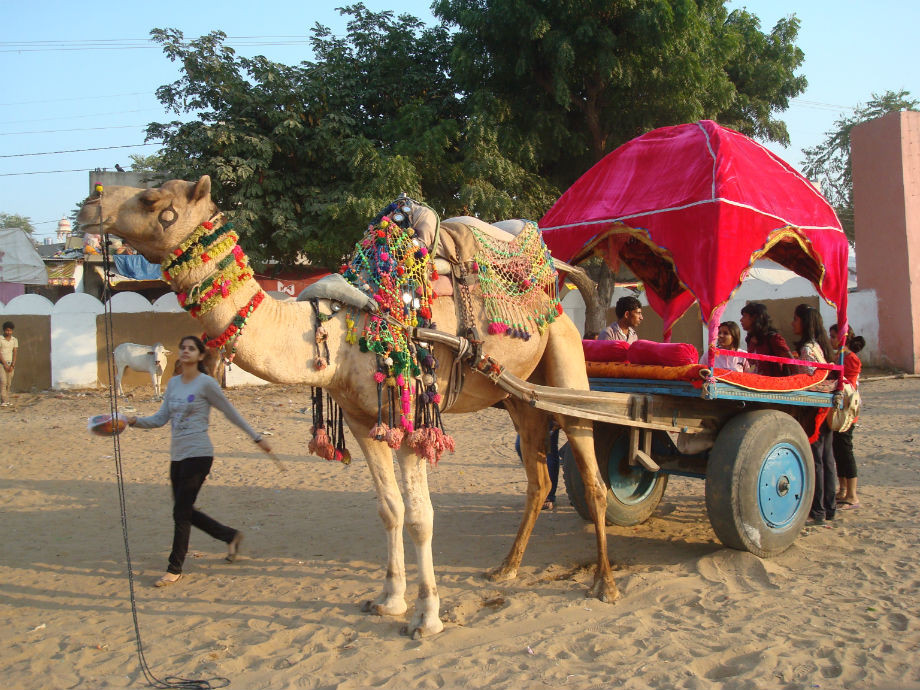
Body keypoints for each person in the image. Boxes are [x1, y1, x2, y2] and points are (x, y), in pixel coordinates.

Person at [125, 335, 272, 587]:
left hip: (200, 455)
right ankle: (230, 536)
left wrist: (256, 438)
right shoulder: (172, 385)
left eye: (191, 348)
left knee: (180, 513)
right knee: (184, 510)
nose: (185, 351)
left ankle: (174, 567)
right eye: (182, 348)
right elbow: (161, 419)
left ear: (200, 355)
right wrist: (134, 421)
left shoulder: (206, 384)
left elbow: (230, 412)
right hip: (178, 456)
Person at [792, 304, 836, 525]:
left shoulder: (808, 349)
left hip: (814, 407)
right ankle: (829, 507)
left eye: (796, 319)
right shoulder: (822, 347)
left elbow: (812, 381)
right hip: (825, 407)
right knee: (826, 458)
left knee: (816, 459)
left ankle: (818, 511)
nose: (793, 324)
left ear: (804, 322)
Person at [831, 326, 865, 509]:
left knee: (845, 450)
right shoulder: (840, 355)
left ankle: (852, 494)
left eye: (833, 336)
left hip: (847, 410)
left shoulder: (850, 358)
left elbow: (848, 383)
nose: (831, 339)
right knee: (838, 449)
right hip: (840, 408)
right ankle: (843, 489)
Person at [739, 303, 800, 376]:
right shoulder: (749, 340)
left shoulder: (773, 339)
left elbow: (792, 363)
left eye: (744, 316)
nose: (741, 320)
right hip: (756, 384)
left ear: (754, 318)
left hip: (774, 385)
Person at [514, 418, 561, 511]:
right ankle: (538, 484)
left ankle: (548, 495)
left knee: (549, 450)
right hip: (527, 412)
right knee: (520, 445)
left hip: (548, 412)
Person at [0, 321, 18, 407]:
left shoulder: (14, 340)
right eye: (7, 330)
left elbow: (15, 352)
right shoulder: (0, 339)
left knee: (8, 383)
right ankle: (3, 401)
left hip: (10, 364)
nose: (8, 332)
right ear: (4, 330)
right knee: (3, 381)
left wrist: (12, 365)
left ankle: (7, 400)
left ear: (12, 331)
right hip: (1, 364)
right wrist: (5, 364)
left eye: (10, 330)